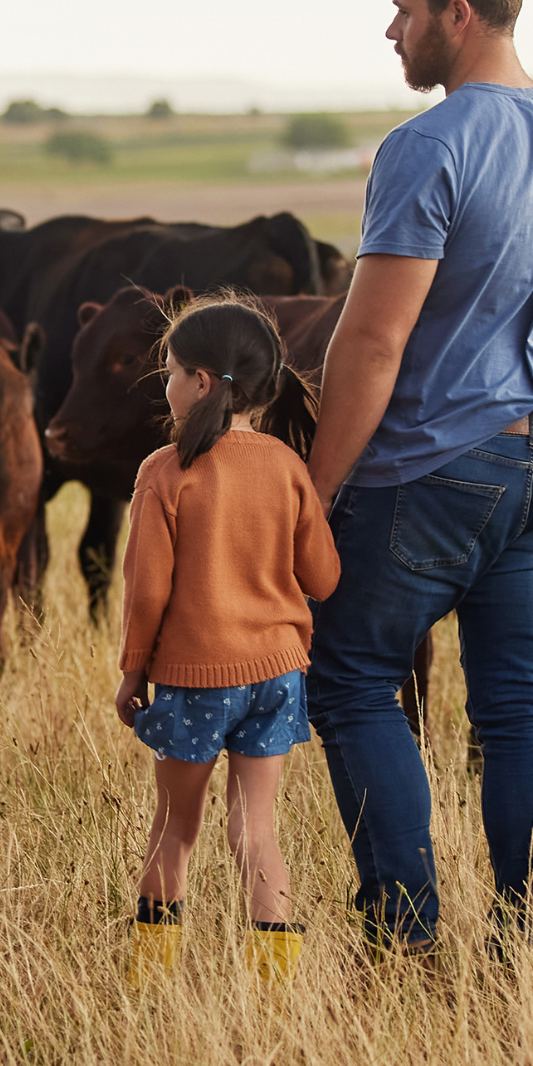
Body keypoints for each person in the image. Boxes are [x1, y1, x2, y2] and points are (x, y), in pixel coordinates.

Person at [305, 0, 533, 954]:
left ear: (457, 14)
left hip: (438, 466)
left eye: (403, 8)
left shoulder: (427, 147)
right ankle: (526, 940)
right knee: (522, 705)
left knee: (352, 678)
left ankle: (402, 933)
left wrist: (307, 498)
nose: (389, 29)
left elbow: (369, 346)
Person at [113, 296, 341, 983]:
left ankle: (149, 981)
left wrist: (132, 673)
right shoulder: (284, 466)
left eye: (172, 370)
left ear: (203, 382)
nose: (166, 384)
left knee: (175, 830)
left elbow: (147, 592)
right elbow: (324, 580)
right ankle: (273, 986)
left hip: (195, 678)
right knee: (255, 830)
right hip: (277, 676)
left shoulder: (164, 470)